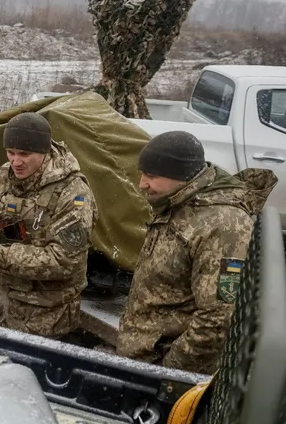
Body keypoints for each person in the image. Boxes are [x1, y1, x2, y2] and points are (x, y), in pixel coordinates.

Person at [116, 131, 272, 375]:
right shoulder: (176, 203)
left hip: (167, 371)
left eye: (152, 176)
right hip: (142, 357)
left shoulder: (223, 226)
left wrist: (170, 372)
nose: (142, 183)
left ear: (182, 176)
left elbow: (218, 320)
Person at [0, 112, 98, 339]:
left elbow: (64, 260)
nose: (15, 161)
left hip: (44, 319)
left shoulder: (72, 192)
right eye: (10, 153)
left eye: (24, 154)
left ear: (43, 152)